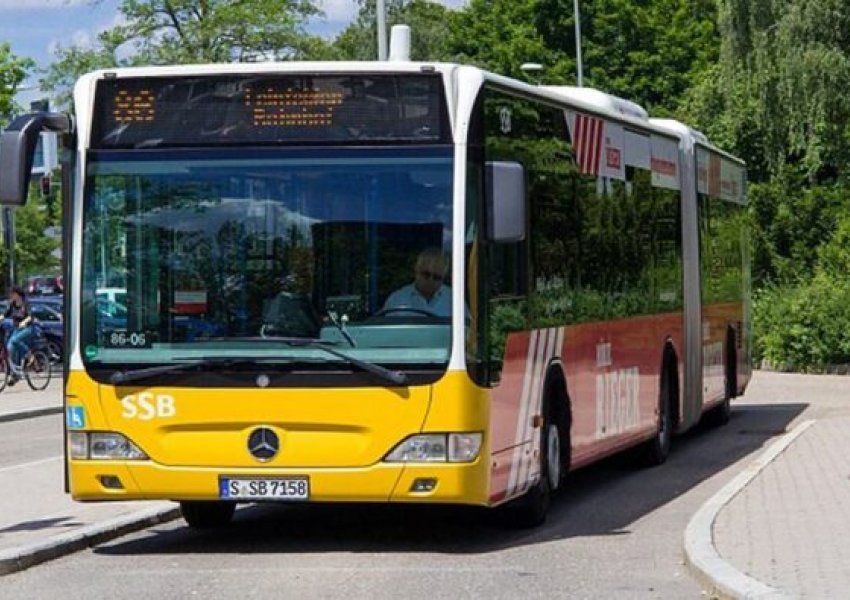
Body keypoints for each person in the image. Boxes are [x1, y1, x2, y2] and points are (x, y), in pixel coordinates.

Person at [382, 247, 452, 317]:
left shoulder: (454, 301)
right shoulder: (397, 300)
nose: (430, 280)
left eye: (436, 277)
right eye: (426, 274)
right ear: (416, 270)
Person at [0, 286, 36, 385]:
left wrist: (24, 322)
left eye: (12, 294)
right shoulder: (12, 304)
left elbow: (30, 316)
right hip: (17, 329)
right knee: (10, 348)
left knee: (15, 341)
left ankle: (30, 355)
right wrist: (1, 318)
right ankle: (16, 373)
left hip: (28, 328)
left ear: (17, 294)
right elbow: (5, 314)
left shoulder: (25, 303)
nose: (10, 296)